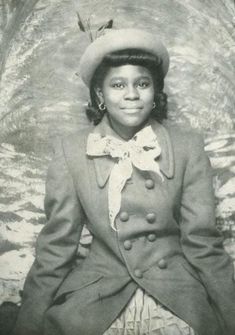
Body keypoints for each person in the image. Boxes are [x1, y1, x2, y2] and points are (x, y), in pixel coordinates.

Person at [13, 28, 235, 335]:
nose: (132, 95)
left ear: (155, 91)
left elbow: (204, 244)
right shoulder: (72, 151)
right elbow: (56, 248)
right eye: (118, 85)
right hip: (98, 294)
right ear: (100, 95)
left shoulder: (187, 146)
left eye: (142, 83)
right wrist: (26, 326)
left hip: (176, 290)